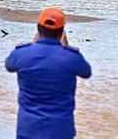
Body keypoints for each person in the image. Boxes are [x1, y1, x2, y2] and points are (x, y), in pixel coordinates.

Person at [5, 8, 92, 139]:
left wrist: (34, 44)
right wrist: (65, 46)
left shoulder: (22, 54)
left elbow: (9, 65)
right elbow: (86, 72)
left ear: (38, 28)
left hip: (28, 129)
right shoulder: (71, 57)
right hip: (60, 130)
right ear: (61, 32)